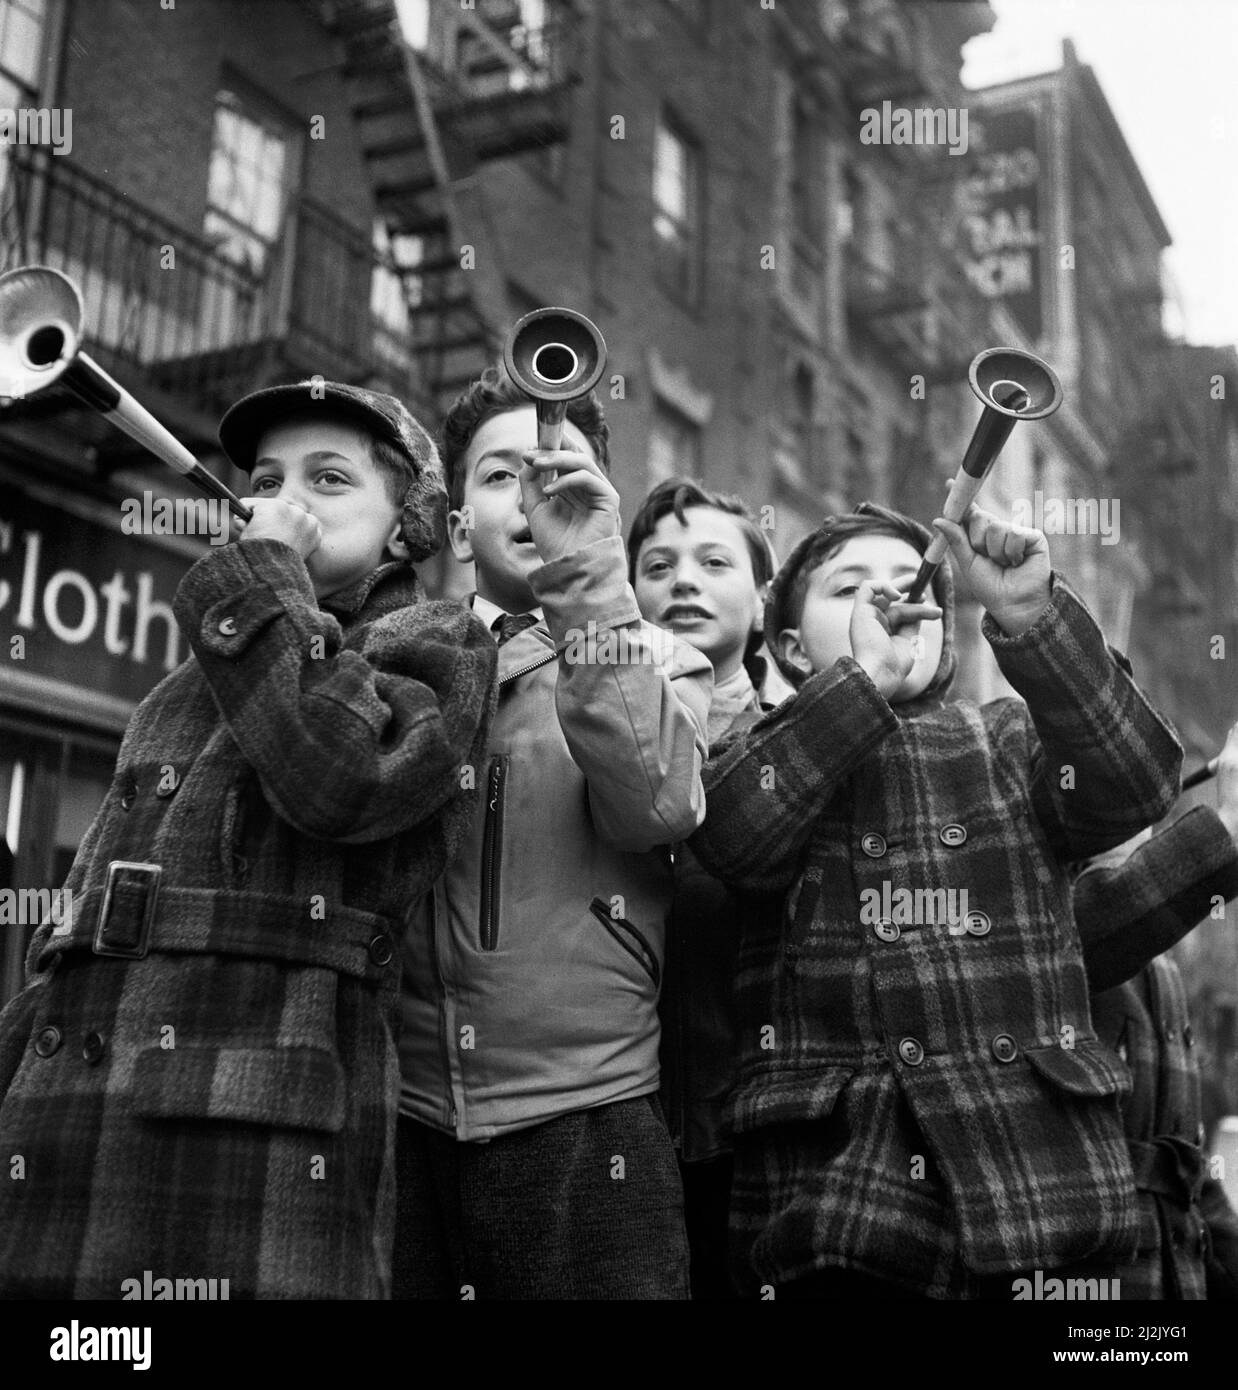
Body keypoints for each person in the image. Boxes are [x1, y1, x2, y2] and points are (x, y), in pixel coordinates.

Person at [0, 381, 497, 1299]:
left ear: (406, 529)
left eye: (330, 478)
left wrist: (266, 572)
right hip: (63, 1121)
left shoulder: (439, 641)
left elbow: (344, 781)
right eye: (268, 478)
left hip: (243, 1133)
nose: (284, 497)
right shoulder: (188, 681)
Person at [690, 499, 1182, 1298]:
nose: (890, 600)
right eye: (849, 588)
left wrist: (1032, 614)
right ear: (787, 647)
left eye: (906, 581)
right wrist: (860, 689)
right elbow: (733, 839)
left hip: (1038, 1191)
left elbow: (1137, 784)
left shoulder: (1012, 739)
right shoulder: (756, 749)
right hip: (836, 1204)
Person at [393, 367, 711, 1300]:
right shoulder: (405, 656)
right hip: (407, 1114)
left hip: (590, 1119)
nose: (534, 493)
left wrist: (585, 584)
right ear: (456, 527)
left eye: (561, 473)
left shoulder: (660, 656)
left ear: (606, 510)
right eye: (501, 477)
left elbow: (656, 805)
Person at [628, 477, 776, 1298]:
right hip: (617, 1131)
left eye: (713, 561)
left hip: (759, 1140)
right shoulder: (585, 739)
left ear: (763, 603)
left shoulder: (801, 744)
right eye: (656, 565)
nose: (682, 580)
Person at [1071, 715, 1238, 1298]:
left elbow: (1185, 1172)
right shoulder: (1040, 927)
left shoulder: (1161, 967)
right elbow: (1101, 923)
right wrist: (1231, 823)